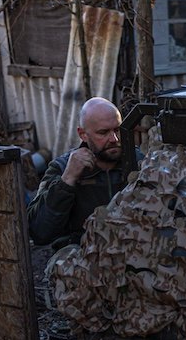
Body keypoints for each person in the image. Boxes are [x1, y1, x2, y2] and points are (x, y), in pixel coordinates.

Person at [27, 97, 144, 248]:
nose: (114, 139)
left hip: (131, 249)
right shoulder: (62, 168)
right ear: (82, 134)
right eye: (103, 132)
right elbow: (39, 232)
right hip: (83, 254)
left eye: (117, 130)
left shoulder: (140, 161)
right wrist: (67, 181)